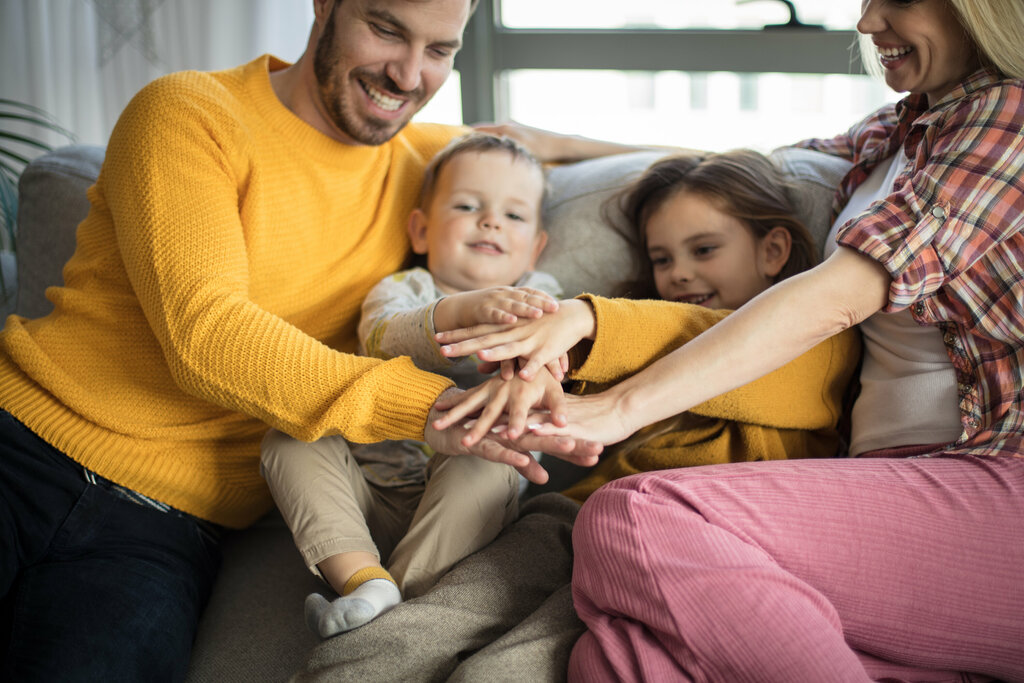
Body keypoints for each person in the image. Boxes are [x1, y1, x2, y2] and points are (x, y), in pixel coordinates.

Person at [0, 1, 603, 680]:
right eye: (385, 29)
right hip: (23, 446)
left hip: (164, 531)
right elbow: (207, 335)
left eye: (441, 50)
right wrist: (429, 407)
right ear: (324, 6)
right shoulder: (189, 112)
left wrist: (561, 144)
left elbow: (714, 165)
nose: (407, 75)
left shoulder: (429, 163)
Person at [439, 0, 1024, 679]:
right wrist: (562, 145)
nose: (867, 23)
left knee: (635, 514)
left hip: (995, 482)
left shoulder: (1007, 116)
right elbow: (741, 169)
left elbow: (840, 295)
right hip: (886, 490)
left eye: (897, 0)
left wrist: (619, 404)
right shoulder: (893, 136)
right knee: (611, 659)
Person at [260, 132, 564, 638]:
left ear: (535, 248)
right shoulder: (403, 289)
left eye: (513, 215)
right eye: (468, 205)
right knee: (289, 437)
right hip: (367, 497)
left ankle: (392, 604)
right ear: (421, 231)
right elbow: (381, 339)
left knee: (489, 455)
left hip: (458, 512)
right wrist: (458, 311)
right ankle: (367, 580)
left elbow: (551, 362)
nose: (490, 221)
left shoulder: (540, 298)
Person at [555, 149, 859, 503]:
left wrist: (584, 323)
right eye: (662, 259)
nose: (679, 273)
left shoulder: (821, 339)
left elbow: (685, 334)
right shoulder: (641, 336)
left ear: (772, 250)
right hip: (587, 505)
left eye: (703, 250)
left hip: (706, 515)